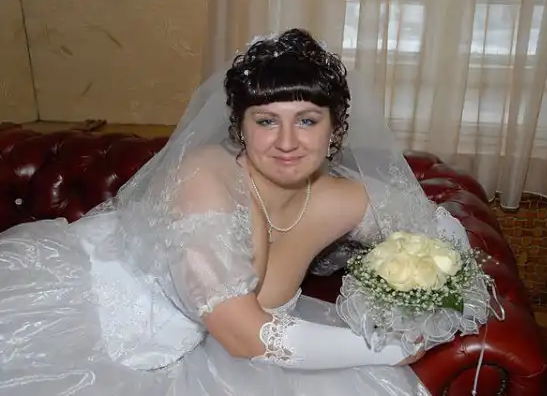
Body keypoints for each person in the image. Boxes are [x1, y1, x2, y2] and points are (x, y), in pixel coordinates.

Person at [0, 28, 474, 396]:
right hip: (80, 324)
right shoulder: (204, 177)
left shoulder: (347, 199)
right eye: (266, 121)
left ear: (335, 130)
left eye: (307, 120)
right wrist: (382, 348)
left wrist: (414, 310)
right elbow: (242, 335)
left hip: (220, 356)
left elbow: (447, 243)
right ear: (240, 128)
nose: (286, 142)